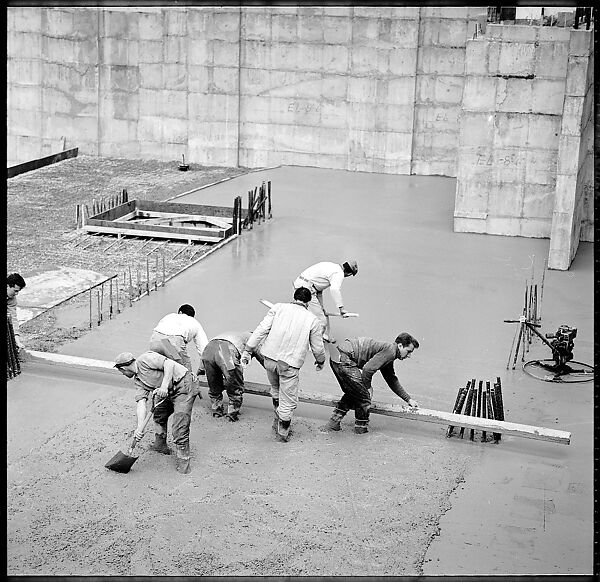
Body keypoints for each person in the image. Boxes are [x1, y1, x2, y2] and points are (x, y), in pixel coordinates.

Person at [241, 287, 326, 442]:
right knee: (287, 400)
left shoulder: (278, 308)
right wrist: (320, 361)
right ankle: (283, 432)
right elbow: (318, 348)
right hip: (289, 365)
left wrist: (248, 349)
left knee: (275, 388)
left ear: (294, 297)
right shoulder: (313, 320)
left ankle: (277, 415)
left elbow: (261, 330)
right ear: (308, 302)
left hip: (270, 360)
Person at [114, 350, 199, 474]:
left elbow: (169, 364)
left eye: (121, 371)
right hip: (167, 392)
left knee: (180, 428)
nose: (122, 374)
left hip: (183, 385)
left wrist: (164, 386)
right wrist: (139, 428)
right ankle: (160, 446)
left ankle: (184, 464)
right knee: (159, 415)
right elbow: (141, 403)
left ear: (124, 367)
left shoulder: (145, 359)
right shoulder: (138, 381)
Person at [321, 333, 420, 434]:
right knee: (364, 397)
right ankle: (361, 430)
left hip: (337, 357)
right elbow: (367, 369)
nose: (409, 356)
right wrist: (368, 387)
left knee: (355, 392)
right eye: (408, 351)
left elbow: (391, 380)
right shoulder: (390, 352)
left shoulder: (389, 353)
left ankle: (333, 423)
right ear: (400, 346)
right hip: (344, 359)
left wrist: (408, 399)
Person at [202, 331, 266, 422]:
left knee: (214, 383)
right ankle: (232, 414)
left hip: (208, 349)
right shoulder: (254, 339)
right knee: (234, 384)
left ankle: (217, 410)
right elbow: (264, 360)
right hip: (225, 351)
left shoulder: (237, 334)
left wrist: (202, 367)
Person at [292, 260, 358, 339]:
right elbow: (334, 290)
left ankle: (318, 335)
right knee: (321, 321)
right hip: (306, 290)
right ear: (349, 273)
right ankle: (316, 340)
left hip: (300, 285)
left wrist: (321, 307)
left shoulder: (331, 266)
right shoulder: (339, 273)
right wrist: (341, 308)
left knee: (315, 314)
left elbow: (318, 289)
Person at [149, 303, 208, 377]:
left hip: (155, 341)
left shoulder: (170, 316)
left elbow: (159, 331)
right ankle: (187, 385)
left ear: (180, 312)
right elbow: (203, 348)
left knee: (157, 365)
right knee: (184, 368)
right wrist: (203, 367)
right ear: (192, 316)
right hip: (170, 345)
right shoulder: (194, 322)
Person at [7, 273, 27, 360]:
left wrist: (17, 339)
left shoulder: (12, 299)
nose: (16, 294)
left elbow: (13, 318)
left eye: (18, 291)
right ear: (8, 286)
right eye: (15, 291)